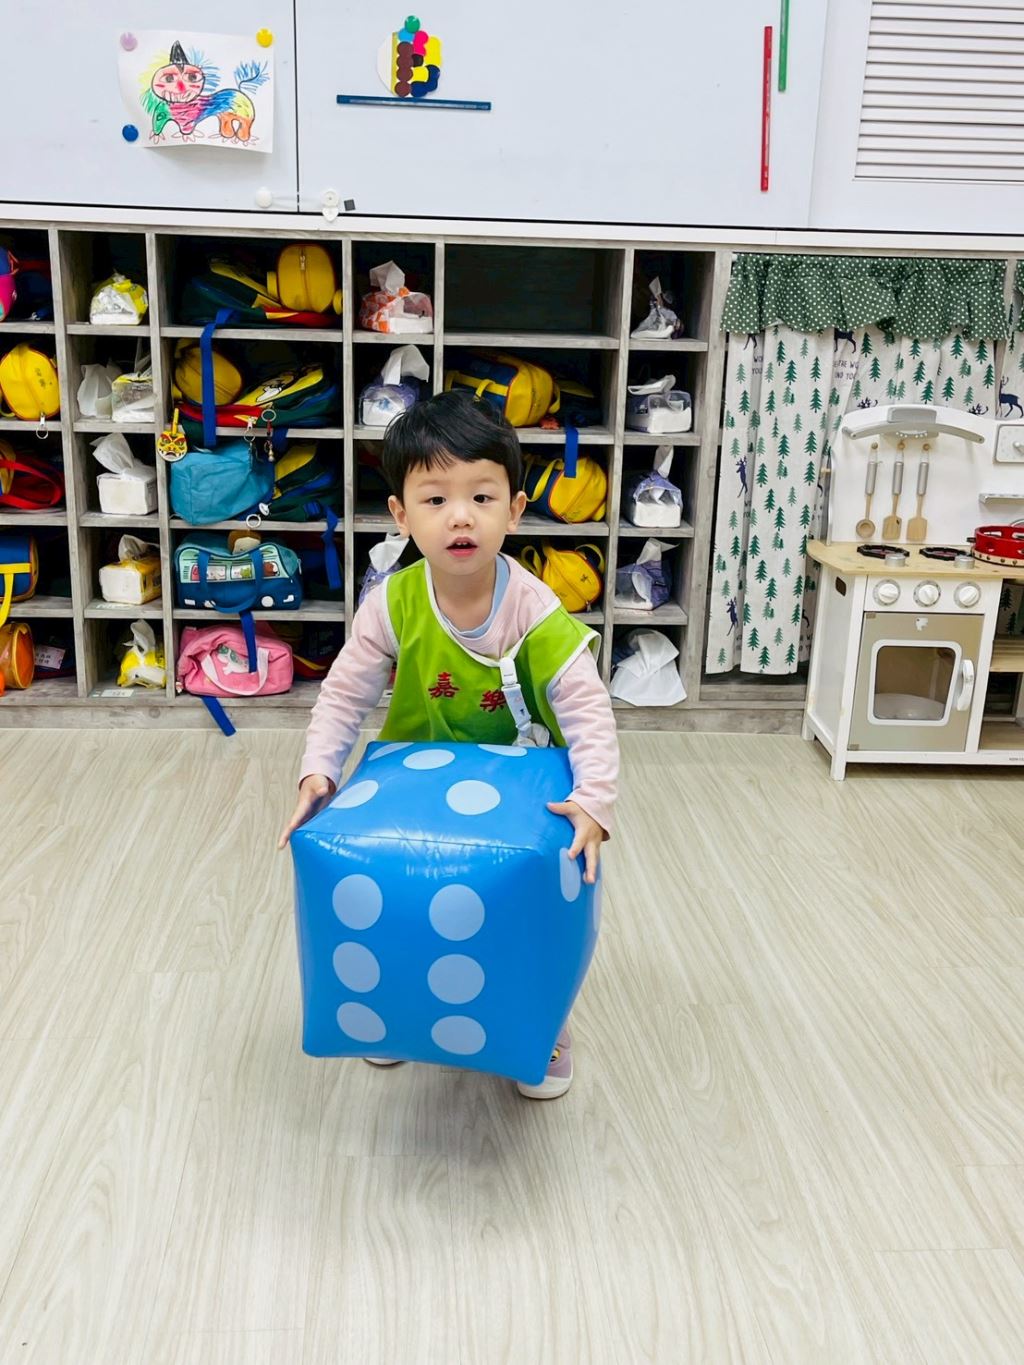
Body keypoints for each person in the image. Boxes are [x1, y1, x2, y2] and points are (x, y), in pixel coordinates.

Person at [279, 392, 618, 1098]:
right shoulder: (392, 601)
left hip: (522, 788)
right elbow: (344, 692)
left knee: (534, 907)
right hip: (414, 784)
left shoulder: (534, 608)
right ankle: (393, 1012)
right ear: (400, 515)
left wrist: (593, 799)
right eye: (435, 499)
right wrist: (319, 771)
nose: (460, 516)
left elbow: (586, 705)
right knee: (398, 899)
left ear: (515, 510)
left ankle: (545, 1023)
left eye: (481, 497)